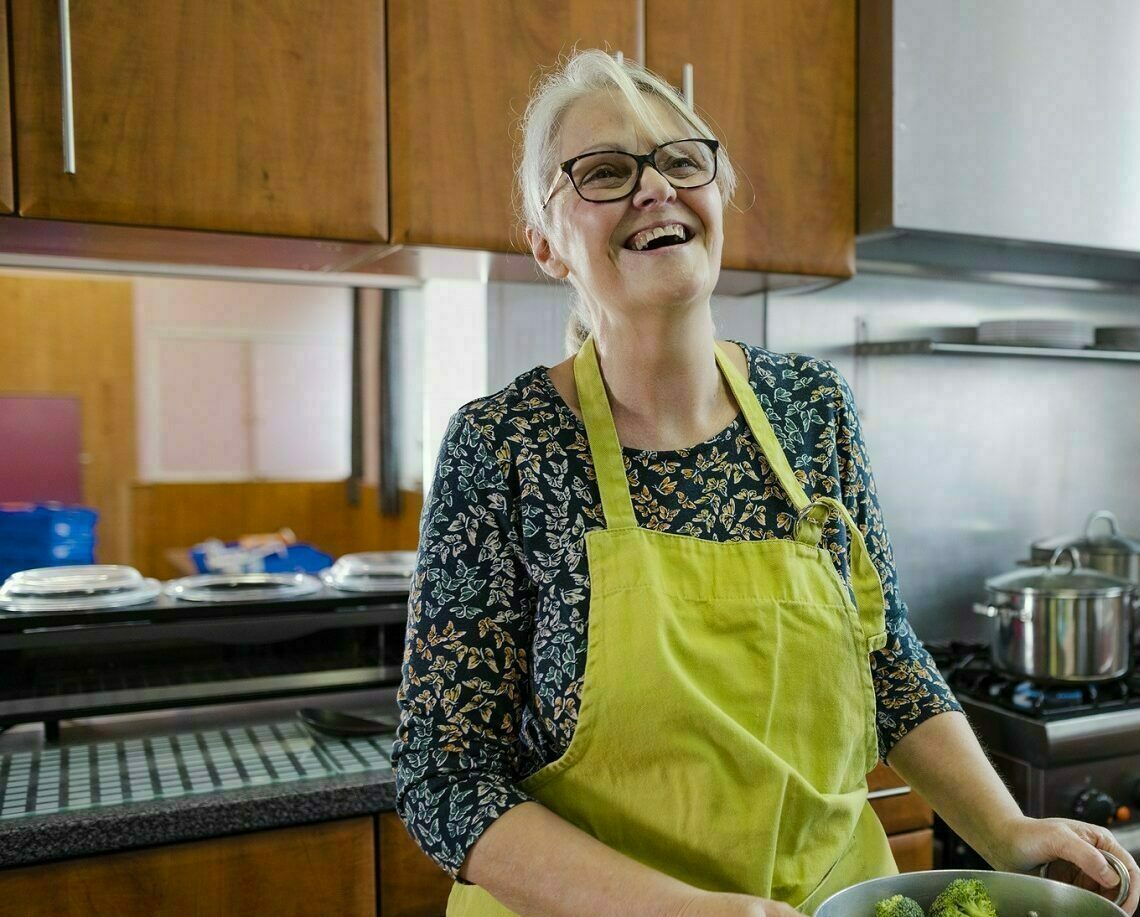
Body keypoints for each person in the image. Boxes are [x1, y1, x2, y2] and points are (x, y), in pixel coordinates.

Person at [393, 49, 1140, 917]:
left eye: (680, 160)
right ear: (547, 246)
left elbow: (887, 664)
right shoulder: (505, 445)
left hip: (833, 899)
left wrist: (1008, 830)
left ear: (715, 195)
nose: (654, 188)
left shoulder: (812, 410)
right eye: (604, 172)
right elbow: (443, 778)